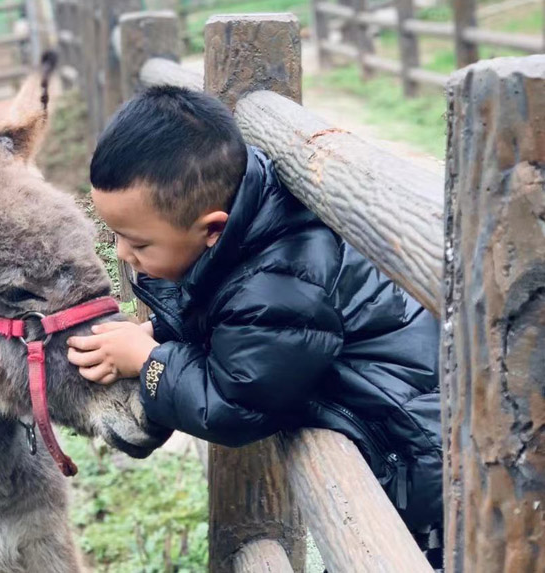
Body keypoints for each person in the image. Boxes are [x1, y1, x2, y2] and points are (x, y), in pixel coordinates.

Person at [66, 86, 443, 567]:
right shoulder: (248, 226)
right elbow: (217, 308)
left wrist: (148, 361)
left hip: (419, 455)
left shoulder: (280, 285)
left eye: (137, 243)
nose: (122, 254)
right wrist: (160, 332)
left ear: (213, 229)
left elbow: (234, 401)